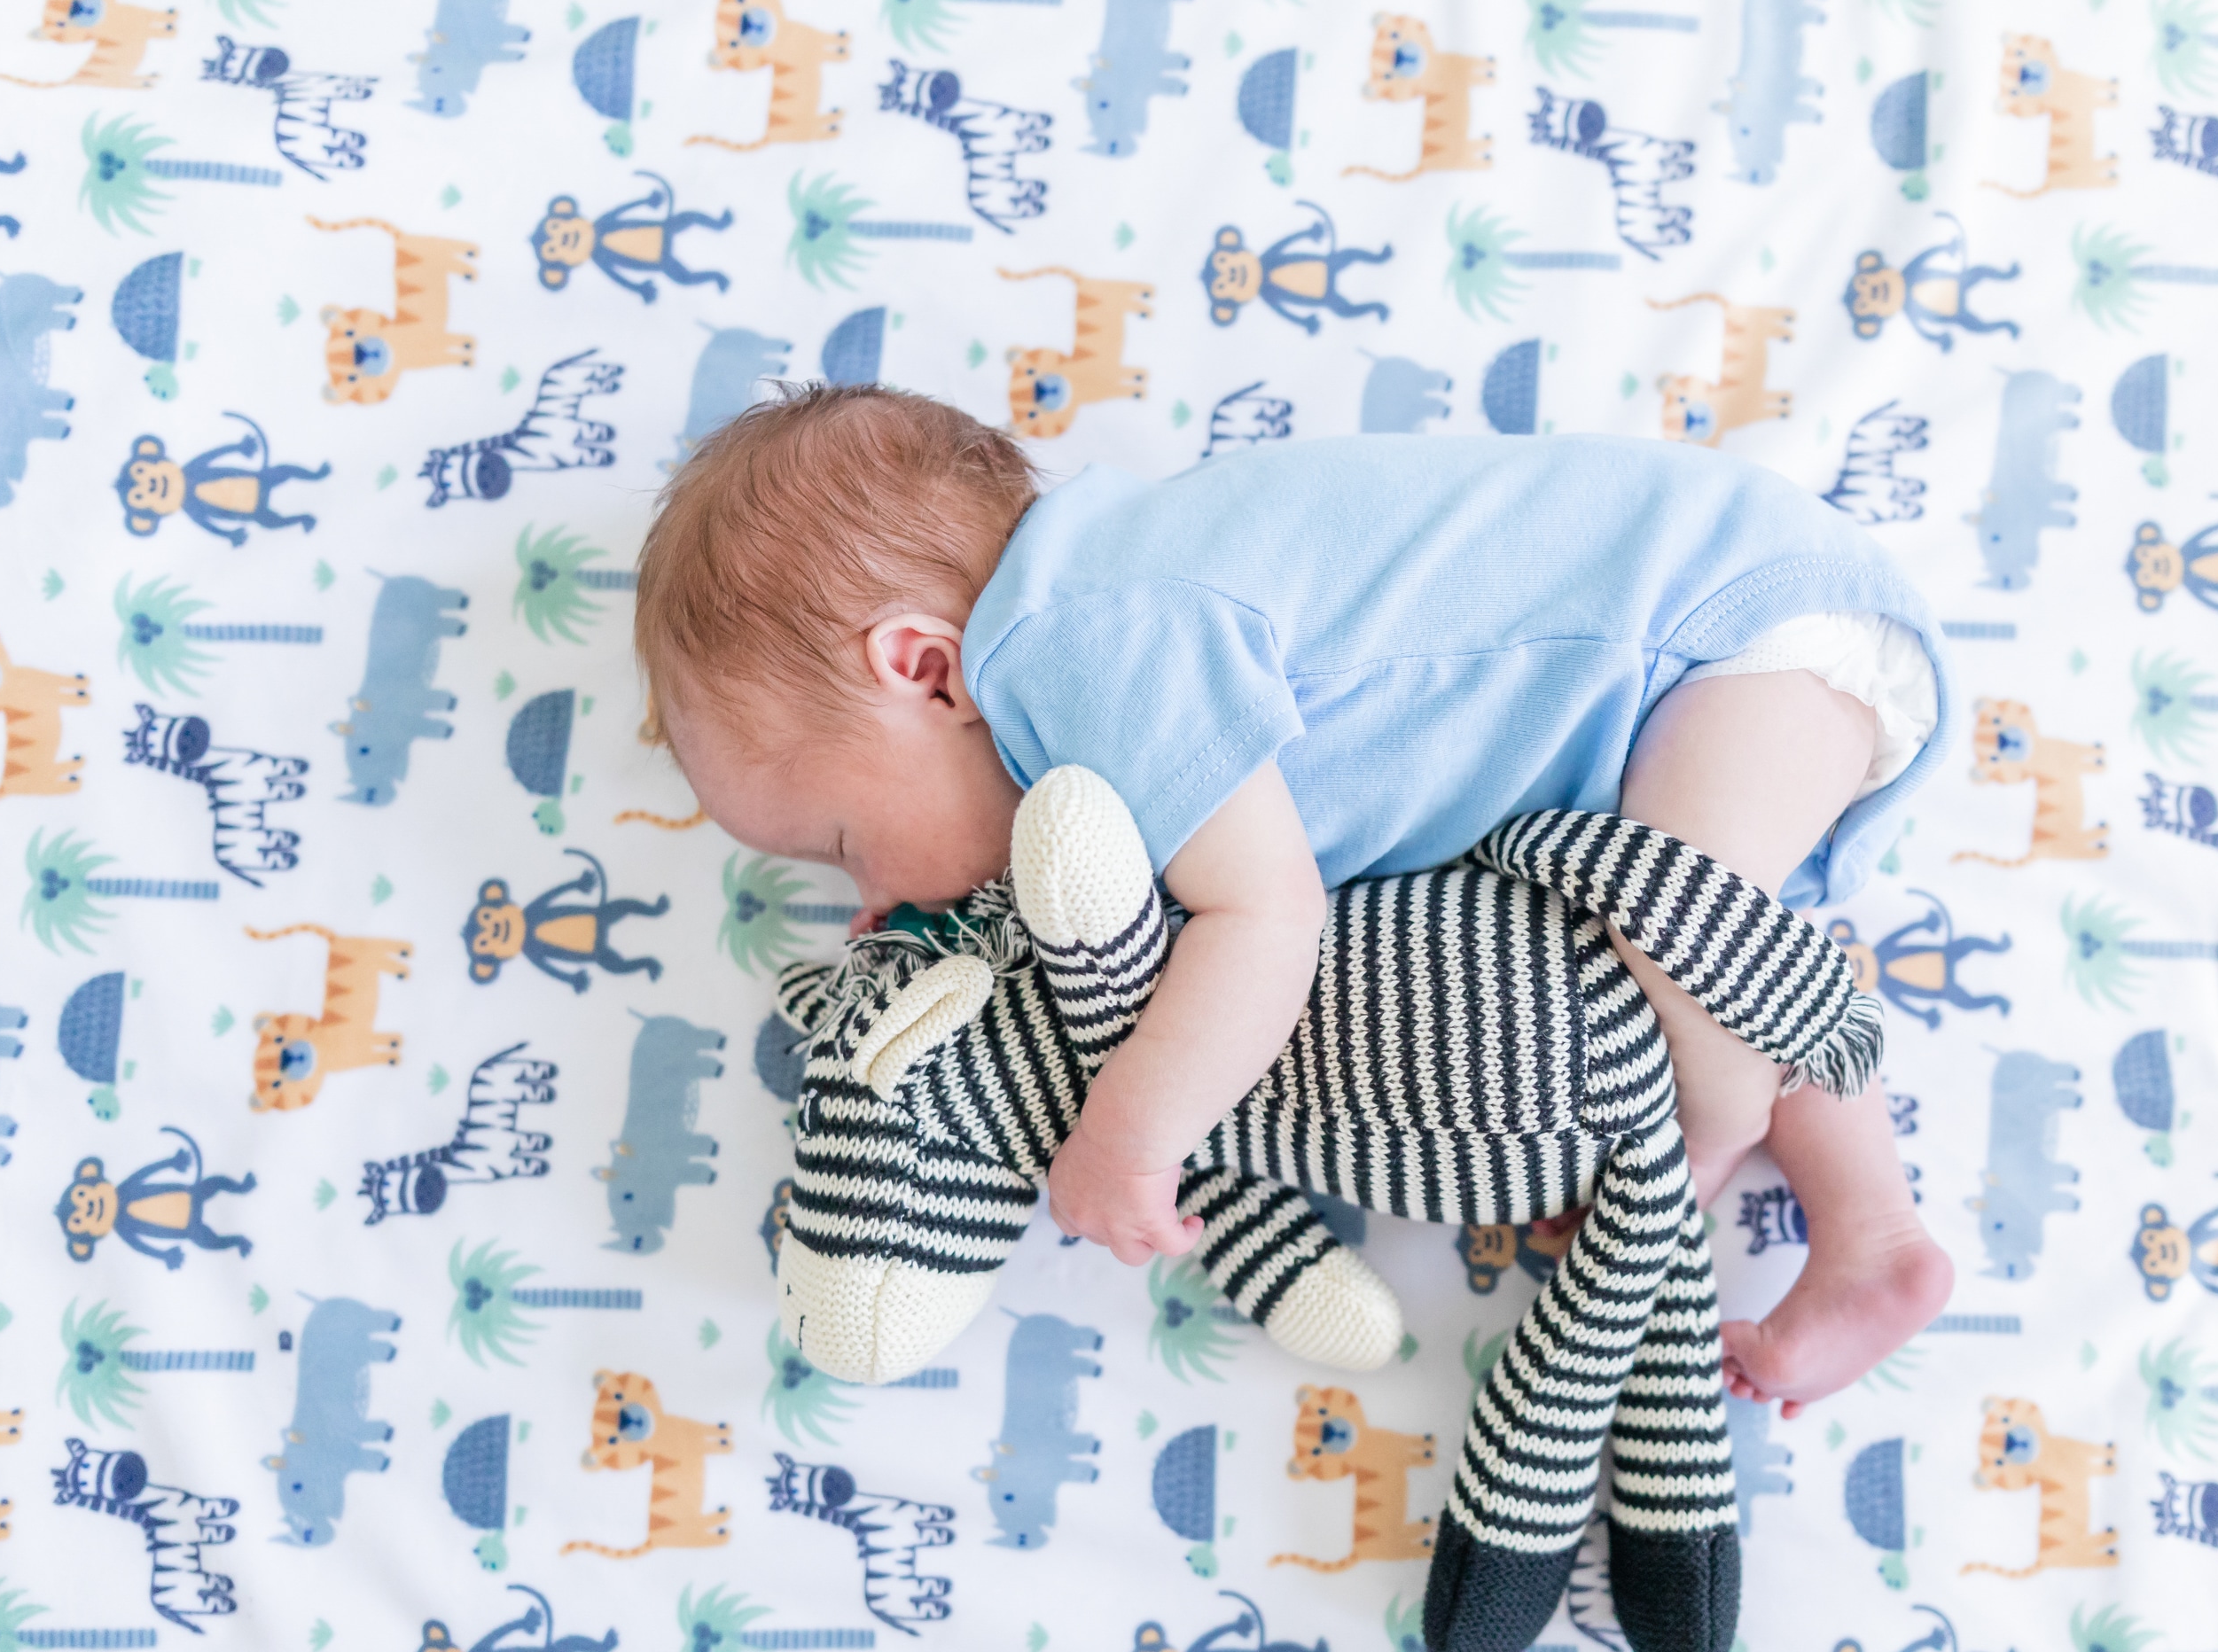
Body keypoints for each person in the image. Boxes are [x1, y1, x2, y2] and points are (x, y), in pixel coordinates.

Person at [637, 382, 1956, 1418]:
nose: (866, 906)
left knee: (1692, 953)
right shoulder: (1105, 632)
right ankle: (1874, 1239)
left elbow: (1267, 923)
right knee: (1735, 955)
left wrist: (1129, 1136)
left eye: (847, 840)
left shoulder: (1070, 640)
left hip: (1719, 630)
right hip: (1715, 654)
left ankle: (1711, 1158)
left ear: (928, 669)